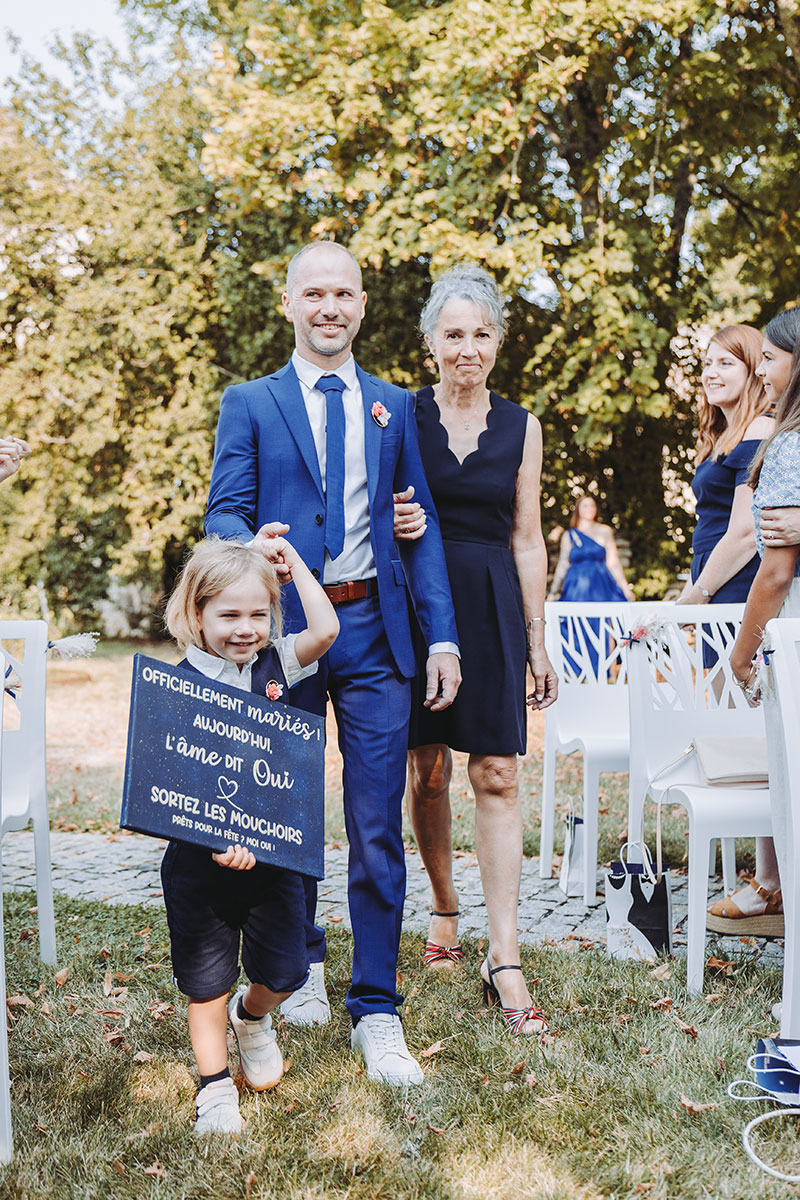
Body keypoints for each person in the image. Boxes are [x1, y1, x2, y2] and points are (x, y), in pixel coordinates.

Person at [205, 241, 460, 1086]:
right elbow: (222, 514)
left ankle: (377, 1005)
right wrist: (252, 543)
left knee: (376, 820)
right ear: (289, 304)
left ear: (362, 305)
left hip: (377, 634)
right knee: (286, 812)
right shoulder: (250, 402)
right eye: (314, 293)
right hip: (287, 632)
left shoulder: (395, 406)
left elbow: (419, 528)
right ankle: (301, 960)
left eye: (343, 294)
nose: (329, 308)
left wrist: (444, 638)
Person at [395, 265, 557, 1036]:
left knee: (497, 772)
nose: (468, 348)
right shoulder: (398, 415)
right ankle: (443, 904)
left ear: (498, 341)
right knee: (426, 771)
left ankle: (505, 955)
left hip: (492, 604)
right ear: (431, 341)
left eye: (481, 333)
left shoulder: (524, 427)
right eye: (454, 333)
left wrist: (538, 640)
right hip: (417, 604)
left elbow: (528, 539)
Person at [162, 536, 339, 1134]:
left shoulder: (278, 664)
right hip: (200, 863)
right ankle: (214, 1088)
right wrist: (213, 838)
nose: (245, 629)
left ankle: (253, 1017)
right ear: (197, 615)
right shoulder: (178, 684)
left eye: (258, 614)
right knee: (206, 984)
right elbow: (172, 778)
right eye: (229, 614)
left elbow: (327, 630)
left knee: (286, 972)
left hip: (274, 858)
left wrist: (295, 566)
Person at [709, 306, 800, 935]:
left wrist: (742, 654)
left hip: (789, 631)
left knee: (785, 770)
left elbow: (774, 573)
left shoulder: (786, 445)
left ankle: (780, 889)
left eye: (769, 358)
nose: (762, 370)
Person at [675, 325, 773, 617]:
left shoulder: (760, 428)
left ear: (754, 371)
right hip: (712, 579)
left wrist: (697, 596)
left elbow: (745, 531)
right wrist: (687, 596)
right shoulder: (718, 438)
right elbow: (707, 531)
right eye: (707, 364)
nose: (710, 373)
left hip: (739, 578)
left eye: (725, 363)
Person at [547, 494, 633, 604]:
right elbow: (563, 564)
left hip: (601, 584)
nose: (589, 509)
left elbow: (613, 563)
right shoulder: (569, 535)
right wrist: (553, 592)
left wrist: (625, 589)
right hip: (576, 587)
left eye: (592, 505)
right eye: (585, 506)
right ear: (578, 509)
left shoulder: (605, 531)